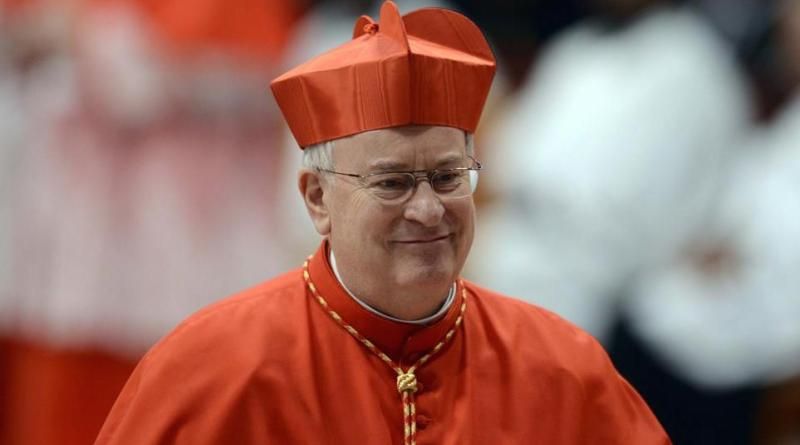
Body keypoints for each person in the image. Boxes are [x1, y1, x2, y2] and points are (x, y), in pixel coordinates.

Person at [95, 2, 670, 444]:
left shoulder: (564, 368)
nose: (428, 209)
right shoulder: (211, 369)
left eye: (447, 177)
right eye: (392, 183)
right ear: (317, 198)